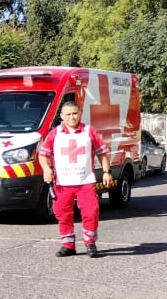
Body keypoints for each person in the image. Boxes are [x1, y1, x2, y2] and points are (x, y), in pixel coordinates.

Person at [38, 101, 113, 258]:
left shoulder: (89, 131)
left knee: (91, 212)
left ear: (80, 113)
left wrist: (107, 172)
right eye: (68, 114)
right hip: (62, 183)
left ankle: (90, 243)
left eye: (75, 113)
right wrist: (46, 169)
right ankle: (68, 245)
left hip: (85, 181)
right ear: (61, 116)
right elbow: (43, 154)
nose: (72, 117)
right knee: (62, 214)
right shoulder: (55, 133)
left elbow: (102, 153)